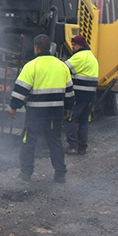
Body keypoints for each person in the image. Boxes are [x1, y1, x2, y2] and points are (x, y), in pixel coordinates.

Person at [8, 34, 75, 183]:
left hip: (36, 113)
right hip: (55, 112)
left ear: (36, 48)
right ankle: (60, 175)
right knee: (55, 141)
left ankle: (26, 174)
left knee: (29, 141)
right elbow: (69, 92)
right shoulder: (62, 66)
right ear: (50, 48)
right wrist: (67, 108)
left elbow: (21, 90)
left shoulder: (32, 66)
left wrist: (13, 107)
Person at [63, 34, 99, 155]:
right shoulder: (92, 58)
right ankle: (82, 147)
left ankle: (73, 146)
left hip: (79, 96)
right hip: (90, 97)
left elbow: (63, 69)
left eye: (74, 44)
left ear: (81, 45)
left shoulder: (79, 57)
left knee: (70, 119)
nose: (72, 47)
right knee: (83, 122)